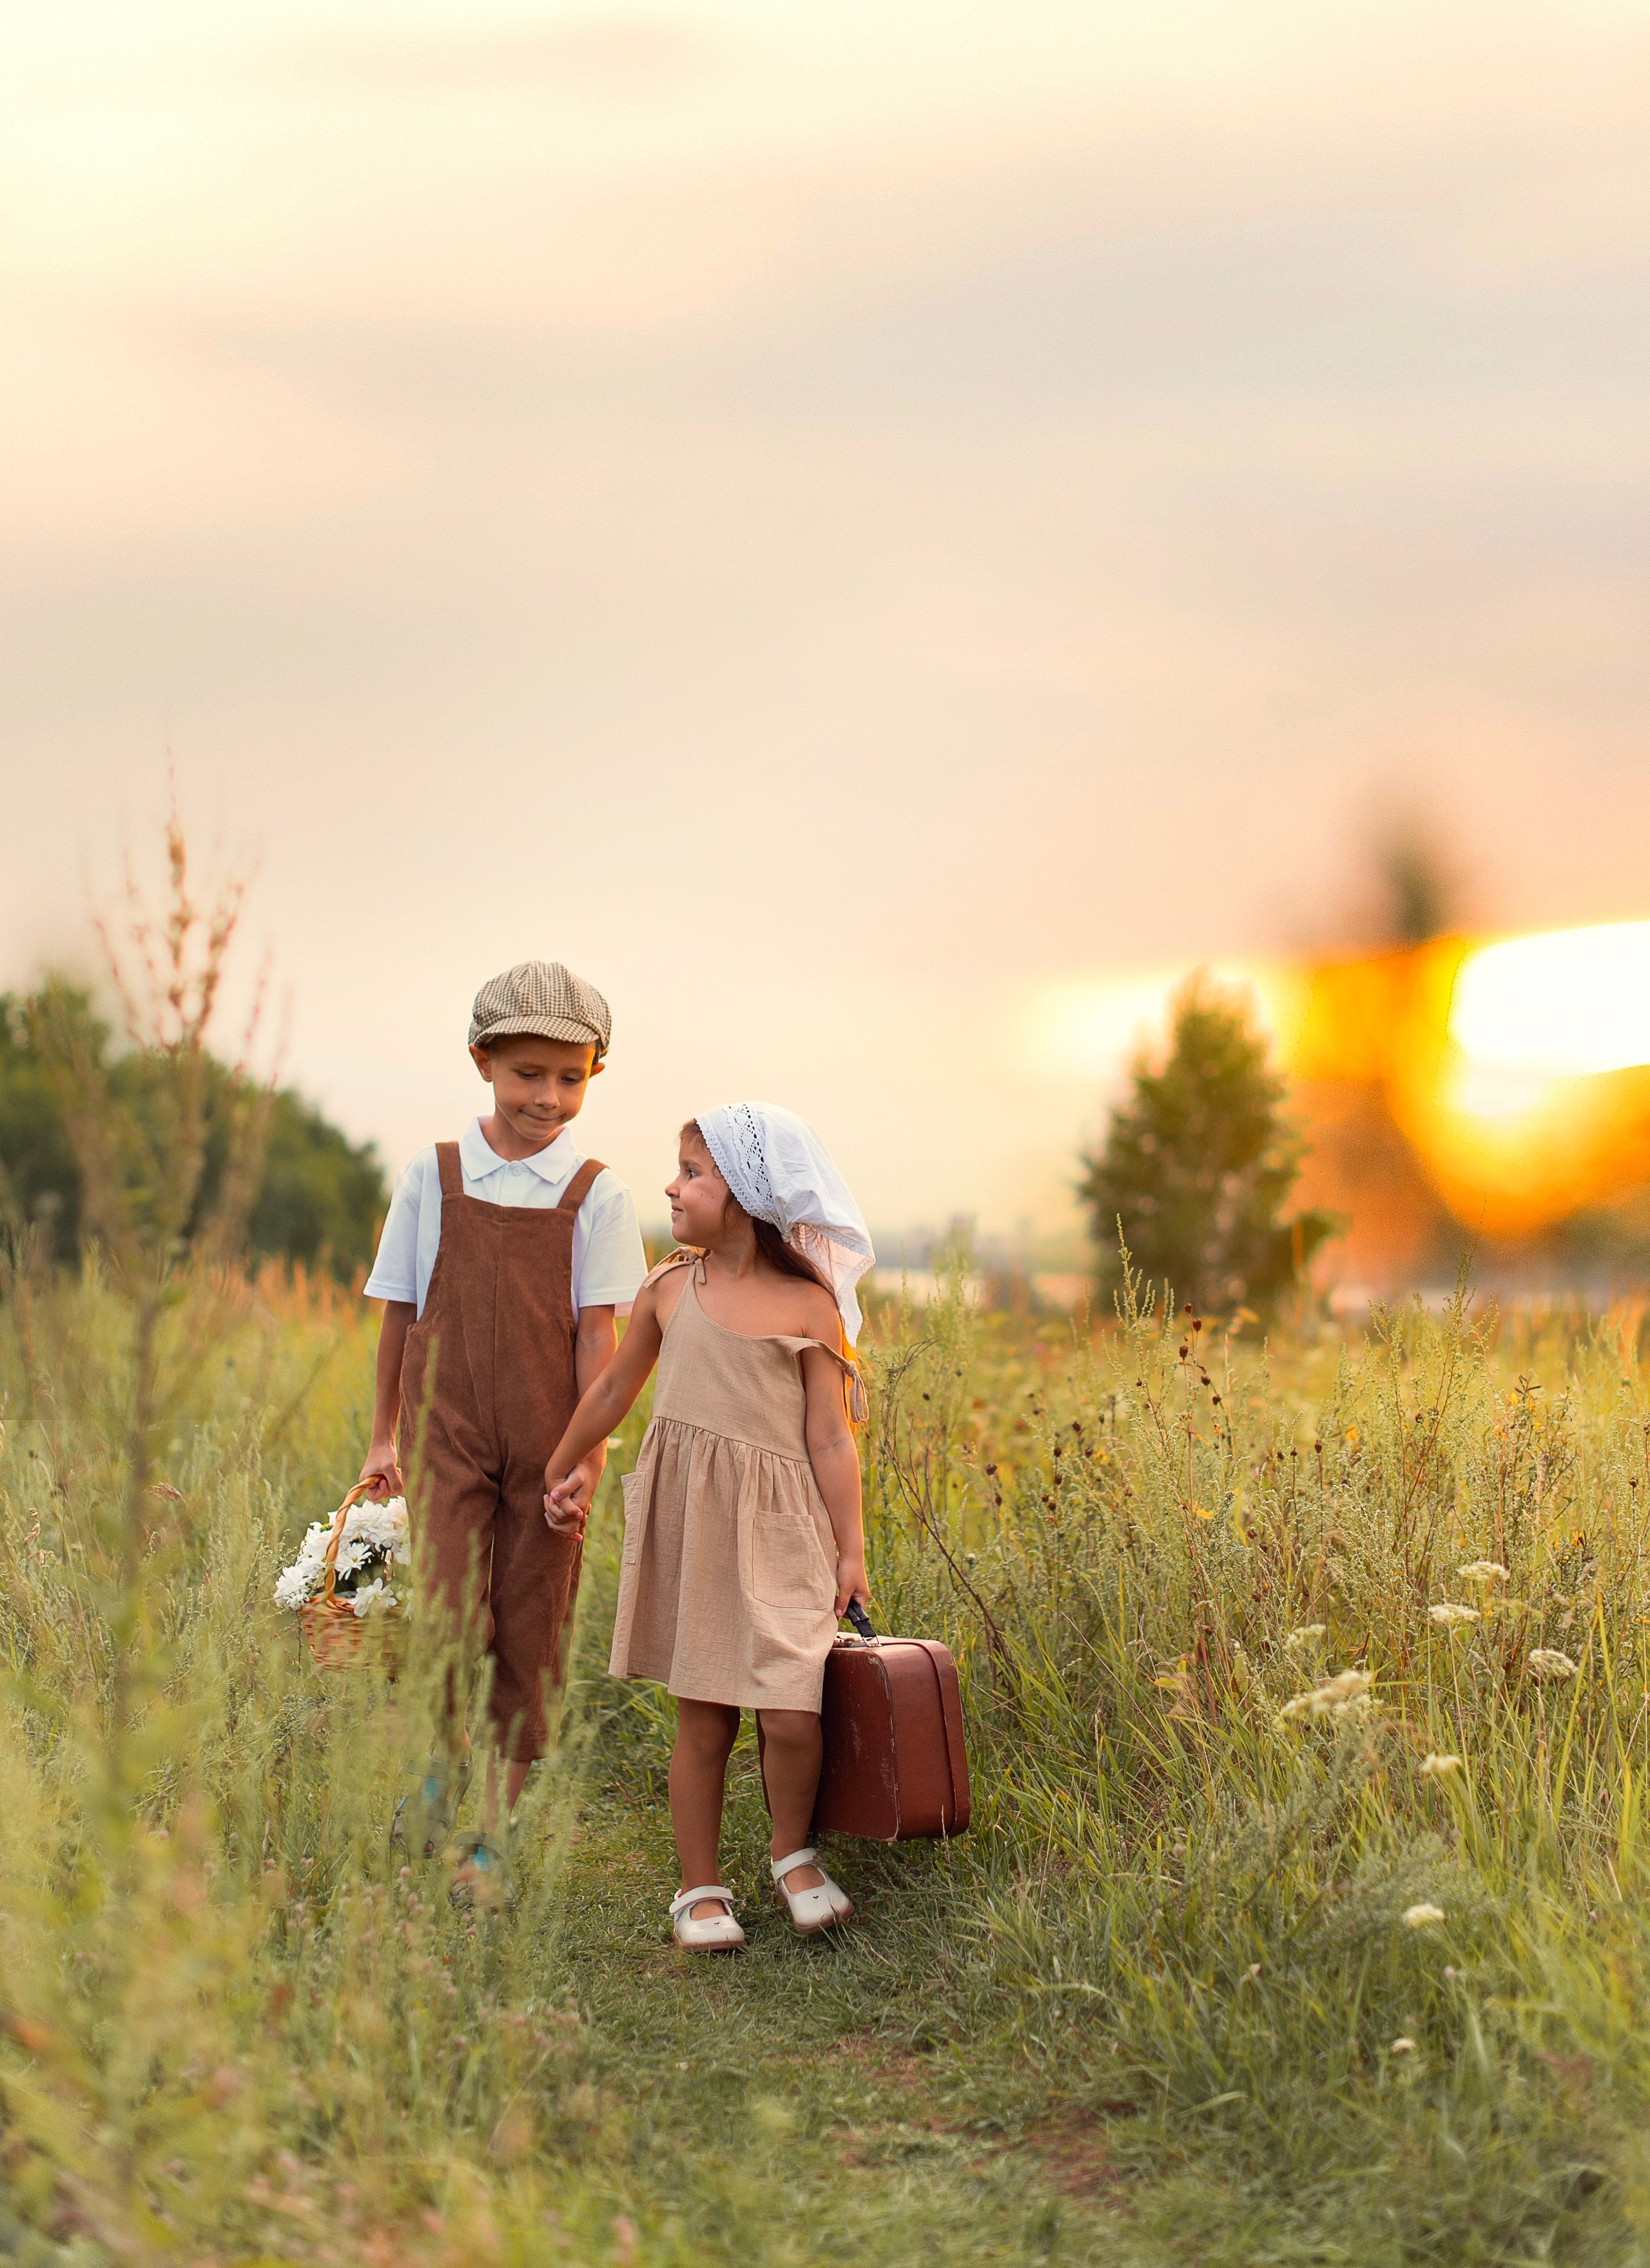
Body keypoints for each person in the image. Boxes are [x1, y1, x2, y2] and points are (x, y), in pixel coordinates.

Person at [545, 1102, 873, 1951]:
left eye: (694, 1171)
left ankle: (791, 1856)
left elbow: (832, 1438)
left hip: (782, 1532)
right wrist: (567, 1461)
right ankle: (699, 1888)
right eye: (678, 1169)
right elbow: (614, 1392)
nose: (673, 1184)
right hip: (695, 1528)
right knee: (705, 1719)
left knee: (793, 1709)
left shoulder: (809, 1308)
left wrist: (851, 1548)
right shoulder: (667, 1290)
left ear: (749, 1191)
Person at [358, 960, 647, 1898]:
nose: (550, 1097)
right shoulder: (434, 1176)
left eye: (571, 1078)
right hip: (446, 1435)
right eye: (529, 1073)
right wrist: (381, 1440)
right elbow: (400, 1312)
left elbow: (597, 1340)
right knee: (449, 1613)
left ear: (593, 1075)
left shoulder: (597, 1193)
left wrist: (584, 1463)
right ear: (483, 1060)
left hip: (551, 1448)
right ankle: (438, 1782)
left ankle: (490, 1832)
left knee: (530, 1628)